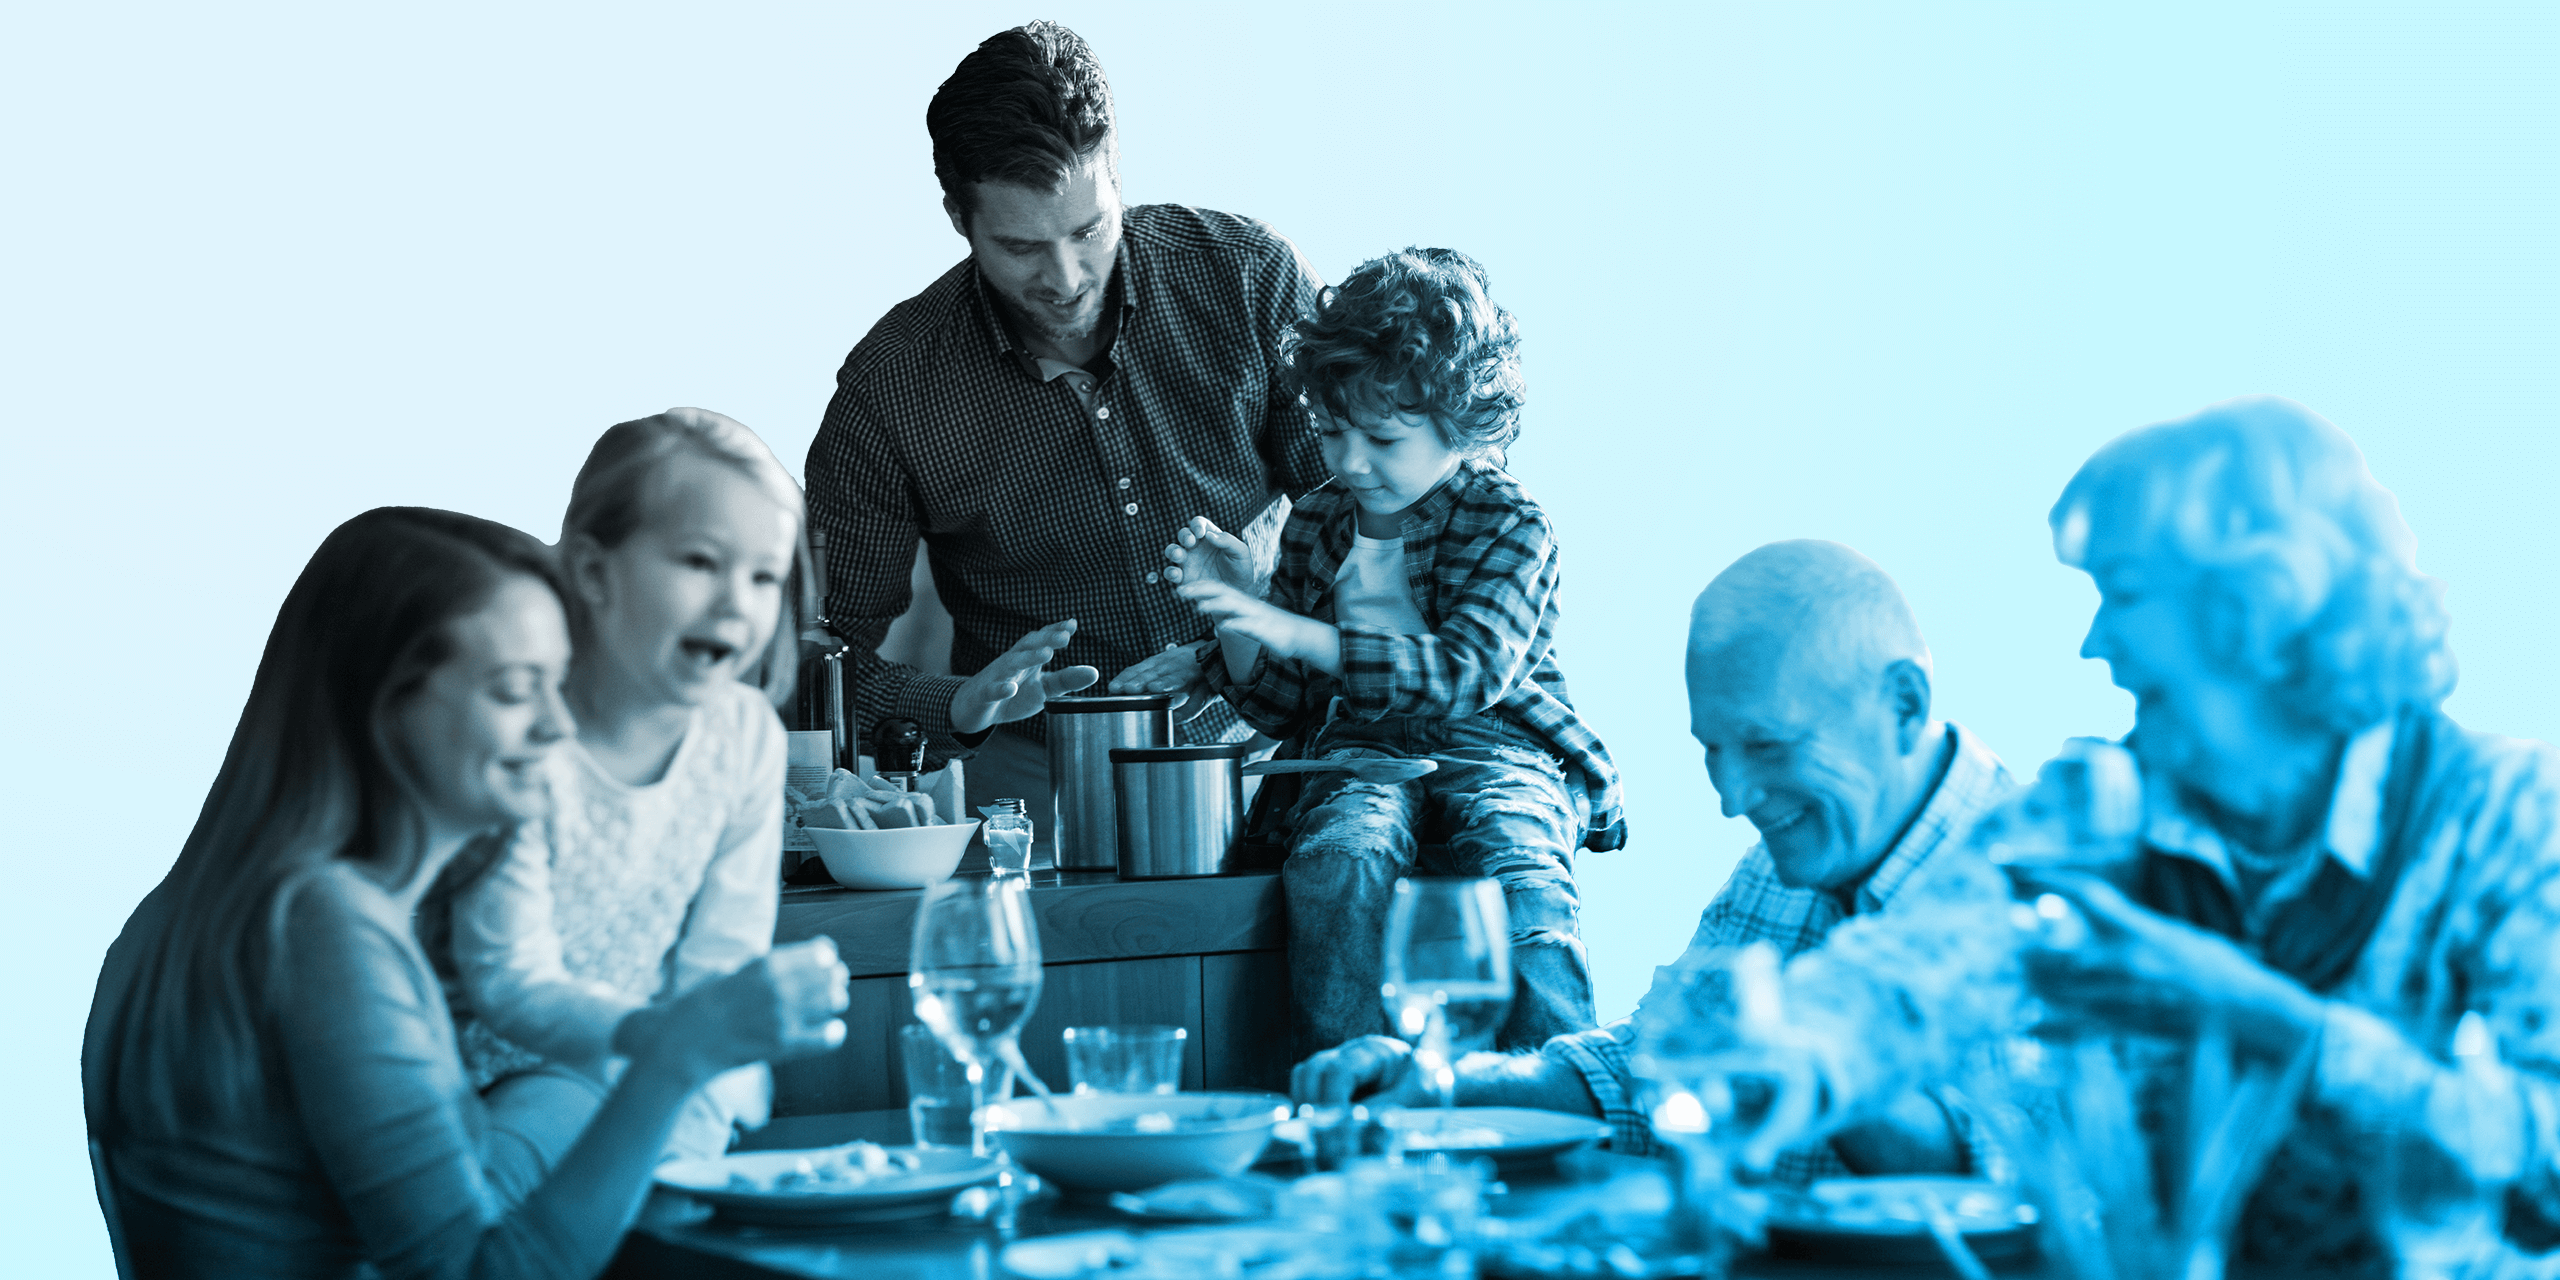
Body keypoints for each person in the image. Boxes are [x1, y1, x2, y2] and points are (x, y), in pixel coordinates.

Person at [82, 506, 850, 1280]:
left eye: (563, 684)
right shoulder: (325, 929)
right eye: (517, 691)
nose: (560, 726)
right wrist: (680, 1054)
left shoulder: (190, 912)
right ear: (383, 703)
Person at [1292, 539, 2017, 1181]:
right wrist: (1444, 1081)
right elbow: (1646, 1067)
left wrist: (1809, 1069)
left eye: (1767, 746)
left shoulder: (2056, 883)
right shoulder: (1784, 863)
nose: (1733, 798)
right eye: (1713, 750)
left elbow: (2036, 1173)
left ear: (1903, 705)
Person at [803, 20, 1328, 816]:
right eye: (1021, 247)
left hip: (1282, 744)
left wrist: (1266, 605)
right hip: (1041, 779)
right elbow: (829, 661)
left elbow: (1381, 520)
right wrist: (960, 704)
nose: (1067, 278)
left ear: (1117, 174)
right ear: (958, 217)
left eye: (1089, 230)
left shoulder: (1248, 277)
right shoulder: (890, 391)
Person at [1165, 247, 1618, 1054]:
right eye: (1332, 433)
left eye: (1381, 438)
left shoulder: (1512, 523)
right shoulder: (1316, 520)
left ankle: (1566, 1092)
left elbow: (1464, 675)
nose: (1349, 462)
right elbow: (1285, 706)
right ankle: (1352, 1089)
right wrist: (1237, 615)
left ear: (1461, 422)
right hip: (1362, 746)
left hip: (1496, 746)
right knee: (1338, 859)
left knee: (1520, 875)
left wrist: (1297, 631)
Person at [438, 410, 883, 1165]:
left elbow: (724, 954)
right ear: (592, 572)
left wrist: (692, 1068)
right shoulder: (529, 734)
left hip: (665, 1062)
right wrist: (668, 1042)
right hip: (506, 1073)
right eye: (701, 562)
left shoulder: (743, 734)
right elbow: (509, 981)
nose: (735, 602)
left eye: (764, 576)